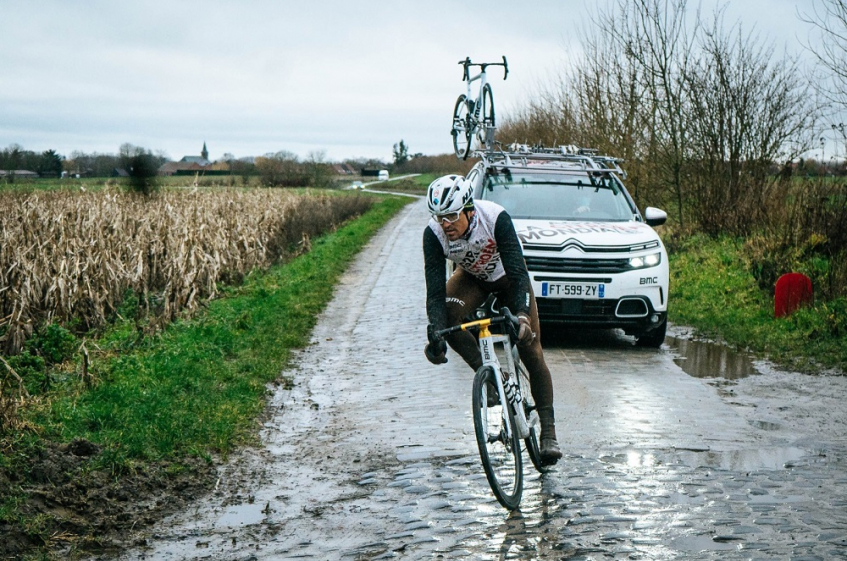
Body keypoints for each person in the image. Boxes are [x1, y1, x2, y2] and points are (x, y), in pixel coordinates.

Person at [422, 174, 562, 465]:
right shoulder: (433, 235)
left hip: (508, 278)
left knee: (530, 347)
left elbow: (519, 273)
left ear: (468, 209)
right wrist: (435, 333)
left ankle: (548, 432)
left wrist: (522, 316)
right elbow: (435, 294)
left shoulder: (495, 218)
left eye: (451, 215)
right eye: (439, 217)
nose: (445, 224)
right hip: (472, 279)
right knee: (447, 319)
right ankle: (492, 378)